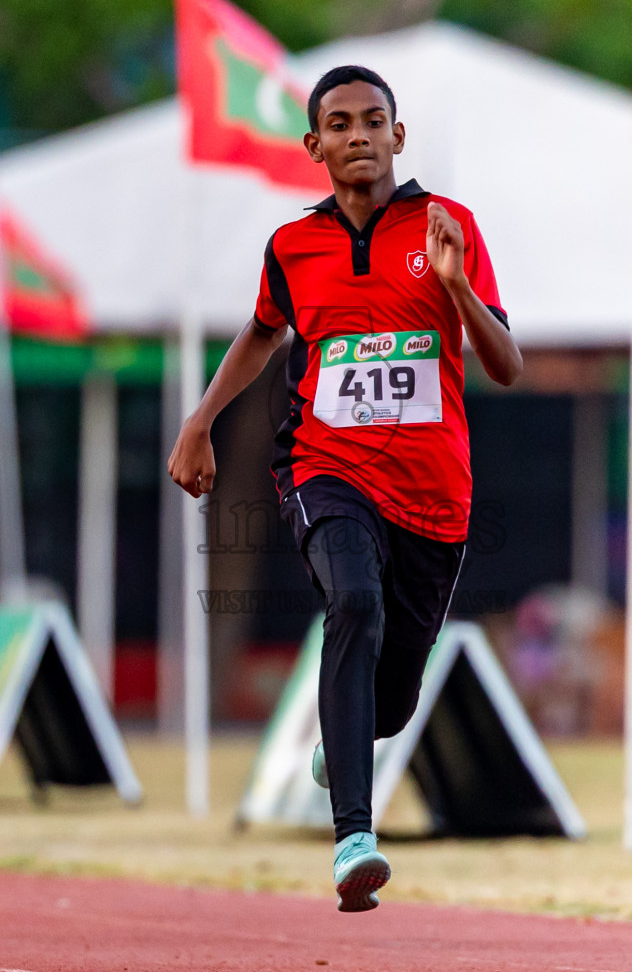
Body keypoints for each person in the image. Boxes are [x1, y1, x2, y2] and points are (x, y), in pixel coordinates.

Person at [170, 64, 521, 912]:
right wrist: (200, 421)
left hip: (433, 494)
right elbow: (262, 334)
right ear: (314, 145)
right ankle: (354, 838)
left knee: (390, 704)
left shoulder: (449, 226)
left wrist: (455, 286)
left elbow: (507, 366)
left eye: (372, 120)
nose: (357, 134)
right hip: (324, 468)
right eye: (339, 123)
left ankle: (350, 733)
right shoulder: (293, 247)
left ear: (397, 135)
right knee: (353, 601)